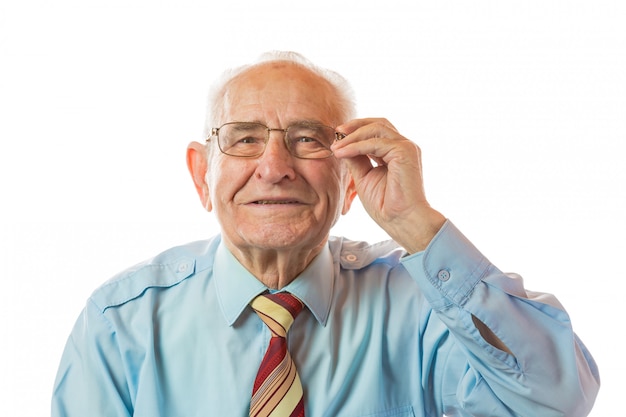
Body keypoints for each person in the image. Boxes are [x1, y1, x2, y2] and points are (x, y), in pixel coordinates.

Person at [51, 51, 600, 417]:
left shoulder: (423, 307)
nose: (273, 166)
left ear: (351, 181)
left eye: (308, 139)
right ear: (202, 174)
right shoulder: (120, 323)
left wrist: (417, 225)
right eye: (243, 139)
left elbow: (557, 399)